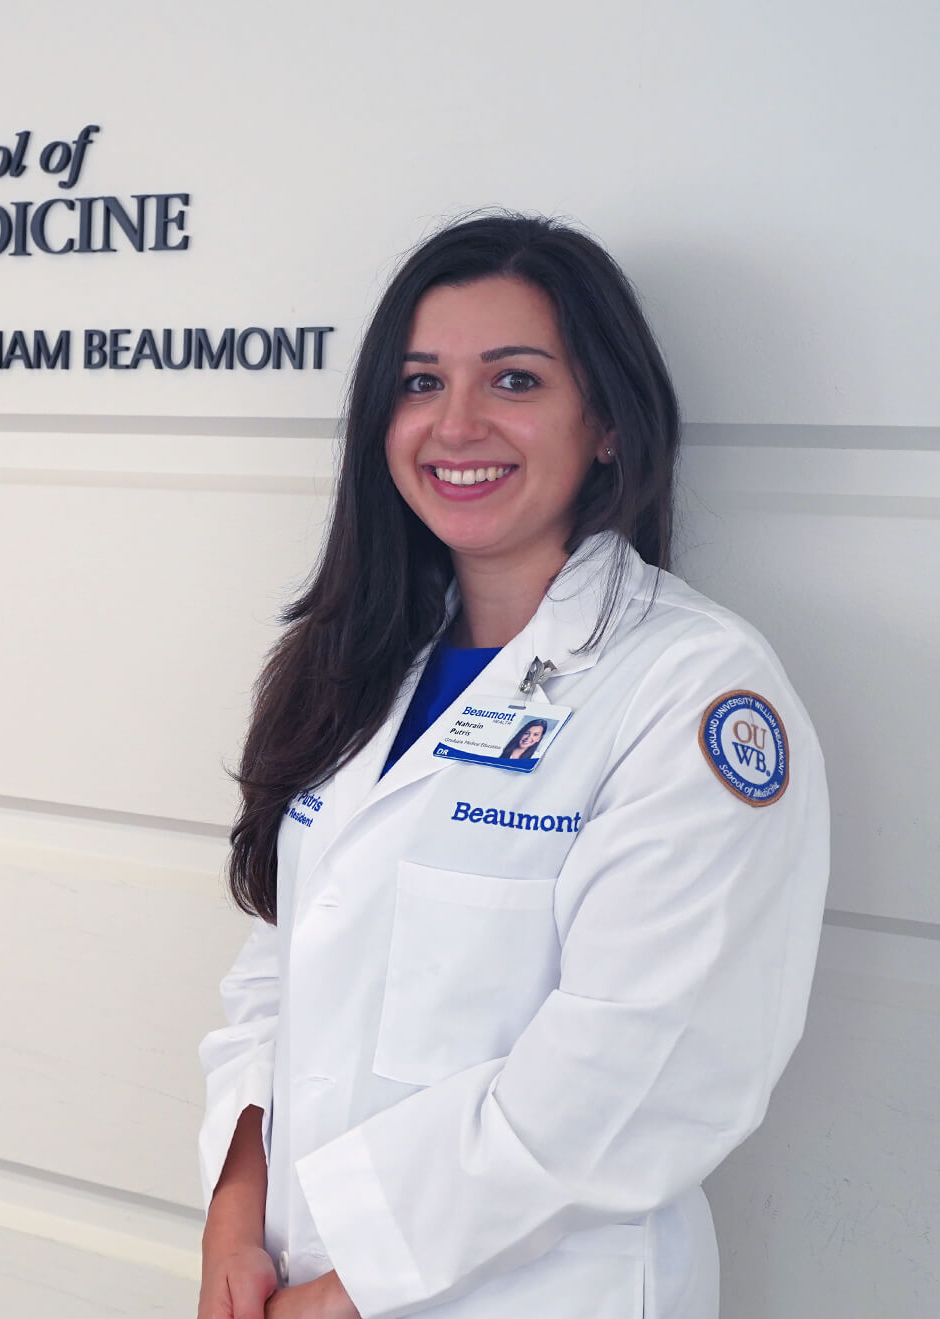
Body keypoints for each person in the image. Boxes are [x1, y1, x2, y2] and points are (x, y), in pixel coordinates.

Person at [195, 214, 828, 1319]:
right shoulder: (352, 667)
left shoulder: (689, 689)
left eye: (515, 380)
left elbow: (639, 1069)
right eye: (419, 381)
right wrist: (232, 1213)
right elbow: (279, 964)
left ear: (610, 426)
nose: (456, 424)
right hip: (292, 1275)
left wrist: (347, 1290)